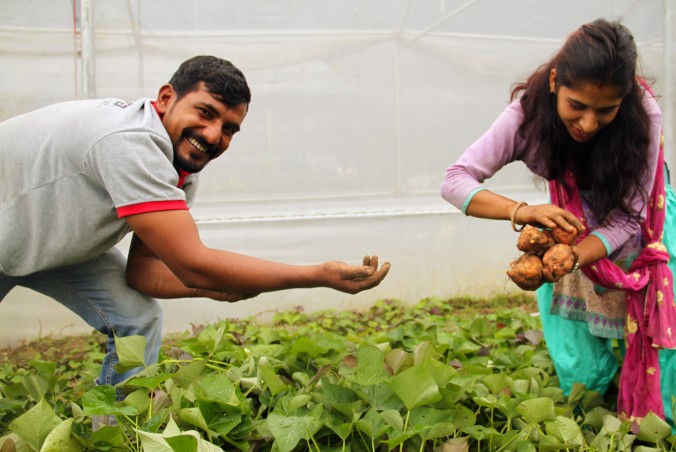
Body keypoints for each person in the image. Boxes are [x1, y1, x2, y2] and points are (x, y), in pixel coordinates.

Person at [0, 55, 391, 398]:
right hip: (9, 229)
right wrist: (317, 275)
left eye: (229, 128)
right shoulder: (130, 142)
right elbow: (192, 264)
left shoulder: (179, 169)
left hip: (48, 239)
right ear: (166, 98)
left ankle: (117, 430)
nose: (213, 135)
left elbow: (143, 273)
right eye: (205, 113)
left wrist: (213, 287)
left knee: (137, 316)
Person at [441, 19, 676, 423]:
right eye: (576, 106)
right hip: (571, 222)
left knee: (661, 325)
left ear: (626, 98)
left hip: (642, 224)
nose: (587, 123)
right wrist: (523, 212)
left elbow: (630, 216)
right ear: (553, 82)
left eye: (606, 111)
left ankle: (670, 425)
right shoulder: (526, 117)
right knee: (575, 335)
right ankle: (591, 411)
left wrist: (576, 254)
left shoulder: (644, 115)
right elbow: (455, 180)